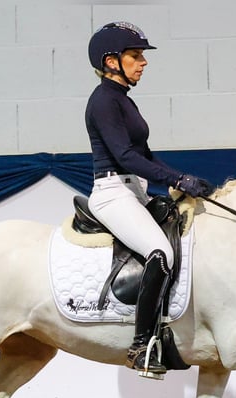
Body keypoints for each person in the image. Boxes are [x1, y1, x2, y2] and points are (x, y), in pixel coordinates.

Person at [85, 21, 214, 378]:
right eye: (135, 56)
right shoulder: (103, 101)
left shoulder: (124, 101)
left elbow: (147, 156)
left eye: (142, 56)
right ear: (112, 61)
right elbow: (125, 157)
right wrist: (175, 178)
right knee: (161, 253)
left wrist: (183, 179)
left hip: (133, 190)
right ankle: (142, 345)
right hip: (112, 193)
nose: (143, 63)